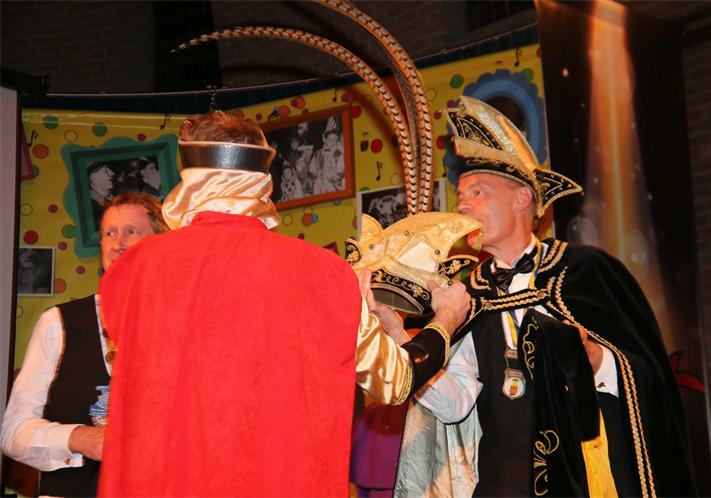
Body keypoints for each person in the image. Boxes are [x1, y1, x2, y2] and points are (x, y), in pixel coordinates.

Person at [96, 110, 470, 497]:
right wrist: (445, 318)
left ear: (188, 176)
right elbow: (396, 380)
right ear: (264, 181)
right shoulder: (326, 274)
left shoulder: (131, 273)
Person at [392, 96, 696, 497]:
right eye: (461, 195)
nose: (463, 205)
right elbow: (456, 405)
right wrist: (397, 337)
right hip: (503, 487)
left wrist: (598, 361)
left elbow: (651, 379)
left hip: (588, 481)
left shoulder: (586, 272)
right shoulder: (466, 296)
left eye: (478, 192)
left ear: (522, 199)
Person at [1, 191, 168, 497]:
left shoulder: (183, 327)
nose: (118, 243)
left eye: (132, 231)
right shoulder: (58, 323)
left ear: (162, 244)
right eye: (109, 233)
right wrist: (80, 438)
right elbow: (13, 432)